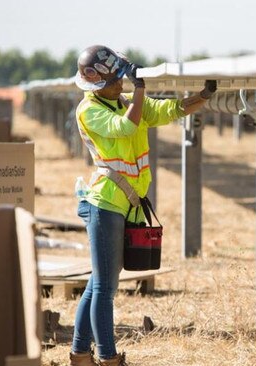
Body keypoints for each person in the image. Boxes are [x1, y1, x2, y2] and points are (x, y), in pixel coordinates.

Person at [69, 45, 216, 366]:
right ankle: (108, 358)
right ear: (98, 82)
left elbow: (168, 111)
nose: (122, 82)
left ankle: (80, 355)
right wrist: (139, 88)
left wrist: (203, 96)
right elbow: (124, 127)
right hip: (105, 203)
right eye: (117, 78)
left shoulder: (123, 101)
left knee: (99, 283)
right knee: (106, 288)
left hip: (124, 203)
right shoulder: (89, 110)